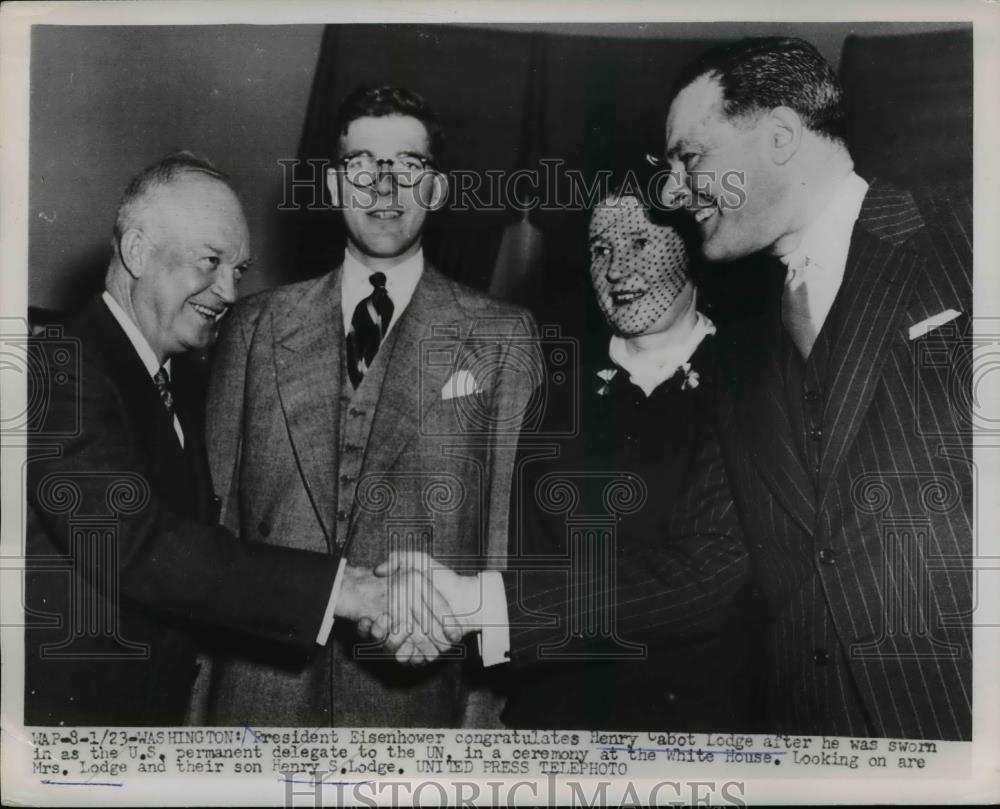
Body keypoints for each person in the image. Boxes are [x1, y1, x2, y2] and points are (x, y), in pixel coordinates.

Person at [649, 37, 972, 739]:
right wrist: (477, 603)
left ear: (780, 135)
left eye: (689, 157)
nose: (671, 191)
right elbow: (702, 571)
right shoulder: (735, 357)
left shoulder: (971, 232)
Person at [24, 153, 408, 726]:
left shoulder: (180, 383)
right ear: (136, 252)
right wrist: (344, 590)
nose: (229, 291)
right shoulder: (58, 367)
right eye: (211, 261)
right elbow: (136, 542)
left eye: (240, 269)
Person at [202, 86, 540, 727]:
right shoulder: (253, 327)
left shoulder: (502, 336)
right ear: (333, 186)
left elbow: (500, 537)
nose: (384, 188)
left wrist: (480, 717)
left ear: (436, 191)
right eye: (363, 166)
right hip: (255, 696)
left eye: (408, 166)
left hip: (413, 708)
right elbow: (215, 533)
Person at [368, 189, 760, 732]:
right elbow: (492, 534)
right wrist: (418, 590)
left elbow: (709, 576)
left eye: (642, 242)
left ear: (694, 251)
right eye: (600, 249)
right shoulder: (545, 390)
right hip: (552, 727)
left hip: (699, 733)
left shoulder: (755, 382)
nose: (619, 268)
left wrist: (474, 606)